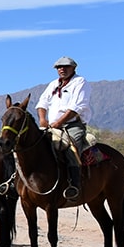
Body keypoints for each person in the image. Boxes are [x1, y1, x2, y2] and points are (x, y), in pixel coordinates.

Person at [35, 56, 91, 201]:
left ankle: (74, 186)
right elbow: (42, 102)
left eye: (66, 67)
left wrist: (59, 122)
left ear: (73, 68)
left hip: (72, 125)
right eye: (59, 67)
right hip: (52, 125)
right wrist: (42, 119)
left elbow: (77, 106)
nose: (62, 69)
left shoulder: (80, 82)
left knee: (71, 148)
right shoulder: (53, 84)